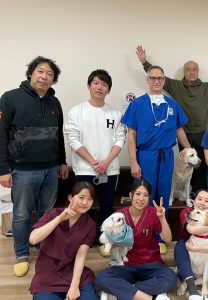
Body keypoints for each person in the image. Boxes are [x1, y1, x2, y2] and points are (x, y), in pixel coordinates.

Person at [136, 45, 208, 193]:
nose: (191, 72)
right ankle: (184, 192)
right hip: (183, 134)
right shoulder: (175, 85)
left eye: (194, 69)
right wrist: (144, 62)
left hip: (203, 133)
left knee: (201, 165)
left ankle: (199, 192)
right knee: (185, 166)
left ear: (198, 71)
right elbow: (157, 78)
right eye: (188, 70)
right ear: (184, 72)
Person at [0, 56, 69, 277]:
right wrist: (2, 169)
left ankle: (43, 247)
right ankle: (21, 253)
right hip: (22, 170)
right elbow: (0, 135)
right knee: (21, 214)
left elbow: (58, 136)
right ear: (31, 73)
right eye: (40, 71)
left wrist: (62, 161)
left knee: (46, 213)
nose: (44, 77)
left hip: (50, 169)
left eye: (49, 74)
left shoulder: (54, 103)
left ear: (53, 79)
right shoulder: (10, 98)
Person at [121, 65, 190, 254]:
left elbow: (179, 130)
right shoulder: (137, 104)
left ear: (164, 81)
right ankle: (141, 235)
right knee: (143, 195)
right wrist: (134, 161)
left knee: (163, 195)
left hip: (167, 155)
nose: (157, 81)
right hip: (146, 155)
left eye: (160, 78)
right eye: (153, 78)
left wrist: (189, 149)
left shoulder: (172, 105)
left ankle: (159, 236)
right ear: (148, 80)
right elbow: (132, 135)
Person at [64, 69, 126, 251]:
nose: (100, 87)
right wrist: (93, 161)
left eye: (104, 84)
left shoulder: (115, 114)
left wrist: (106, 162)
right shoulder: (76, 112)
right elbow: (73, 139)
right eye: (96, 83)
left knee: (107, 206)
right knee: (81, 206)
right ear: (89, 86)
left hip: (110, 169)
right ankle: (81, 240)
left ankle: (103, 239)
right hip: (84, 168)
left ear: (109, 90)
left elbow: (120, 139)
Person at [95, 179, 177, 300]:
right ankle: (146, 297)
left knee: (170, 278)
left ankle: (126, 291)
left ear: (149, 198)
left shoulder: (153, 213)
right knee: (102, 277)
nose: (141, 198)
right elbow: (107, 240)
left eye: (145, 195)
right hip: (126, 266)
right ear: (130, 195)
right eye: (138, 194)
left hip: (151, 264)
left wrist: (162, 218)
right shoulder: (119, 216)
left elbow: (168, 239)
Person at [29, 181, 98, 300]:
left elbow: (81, 255)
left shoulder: (90, 224)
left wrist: (74, 286)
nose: (85, 203)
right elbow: (33, 239)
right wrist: (59, 219)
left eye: (90, 199)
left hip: (72, 272)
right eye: (81, 197)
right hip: (48, 272)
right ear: (70, 197)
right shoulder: (53, 214)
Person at [174, 189, 208, 300]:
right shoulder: (187, 212)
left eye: (206, 201)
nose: (202, 203)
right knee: (181, 245)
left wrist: (197, 248)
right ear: (194, 201)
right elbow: (191, 229)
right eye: (199, 199)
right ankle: (191, 288)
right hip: (187, 245)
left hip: (205, 246)